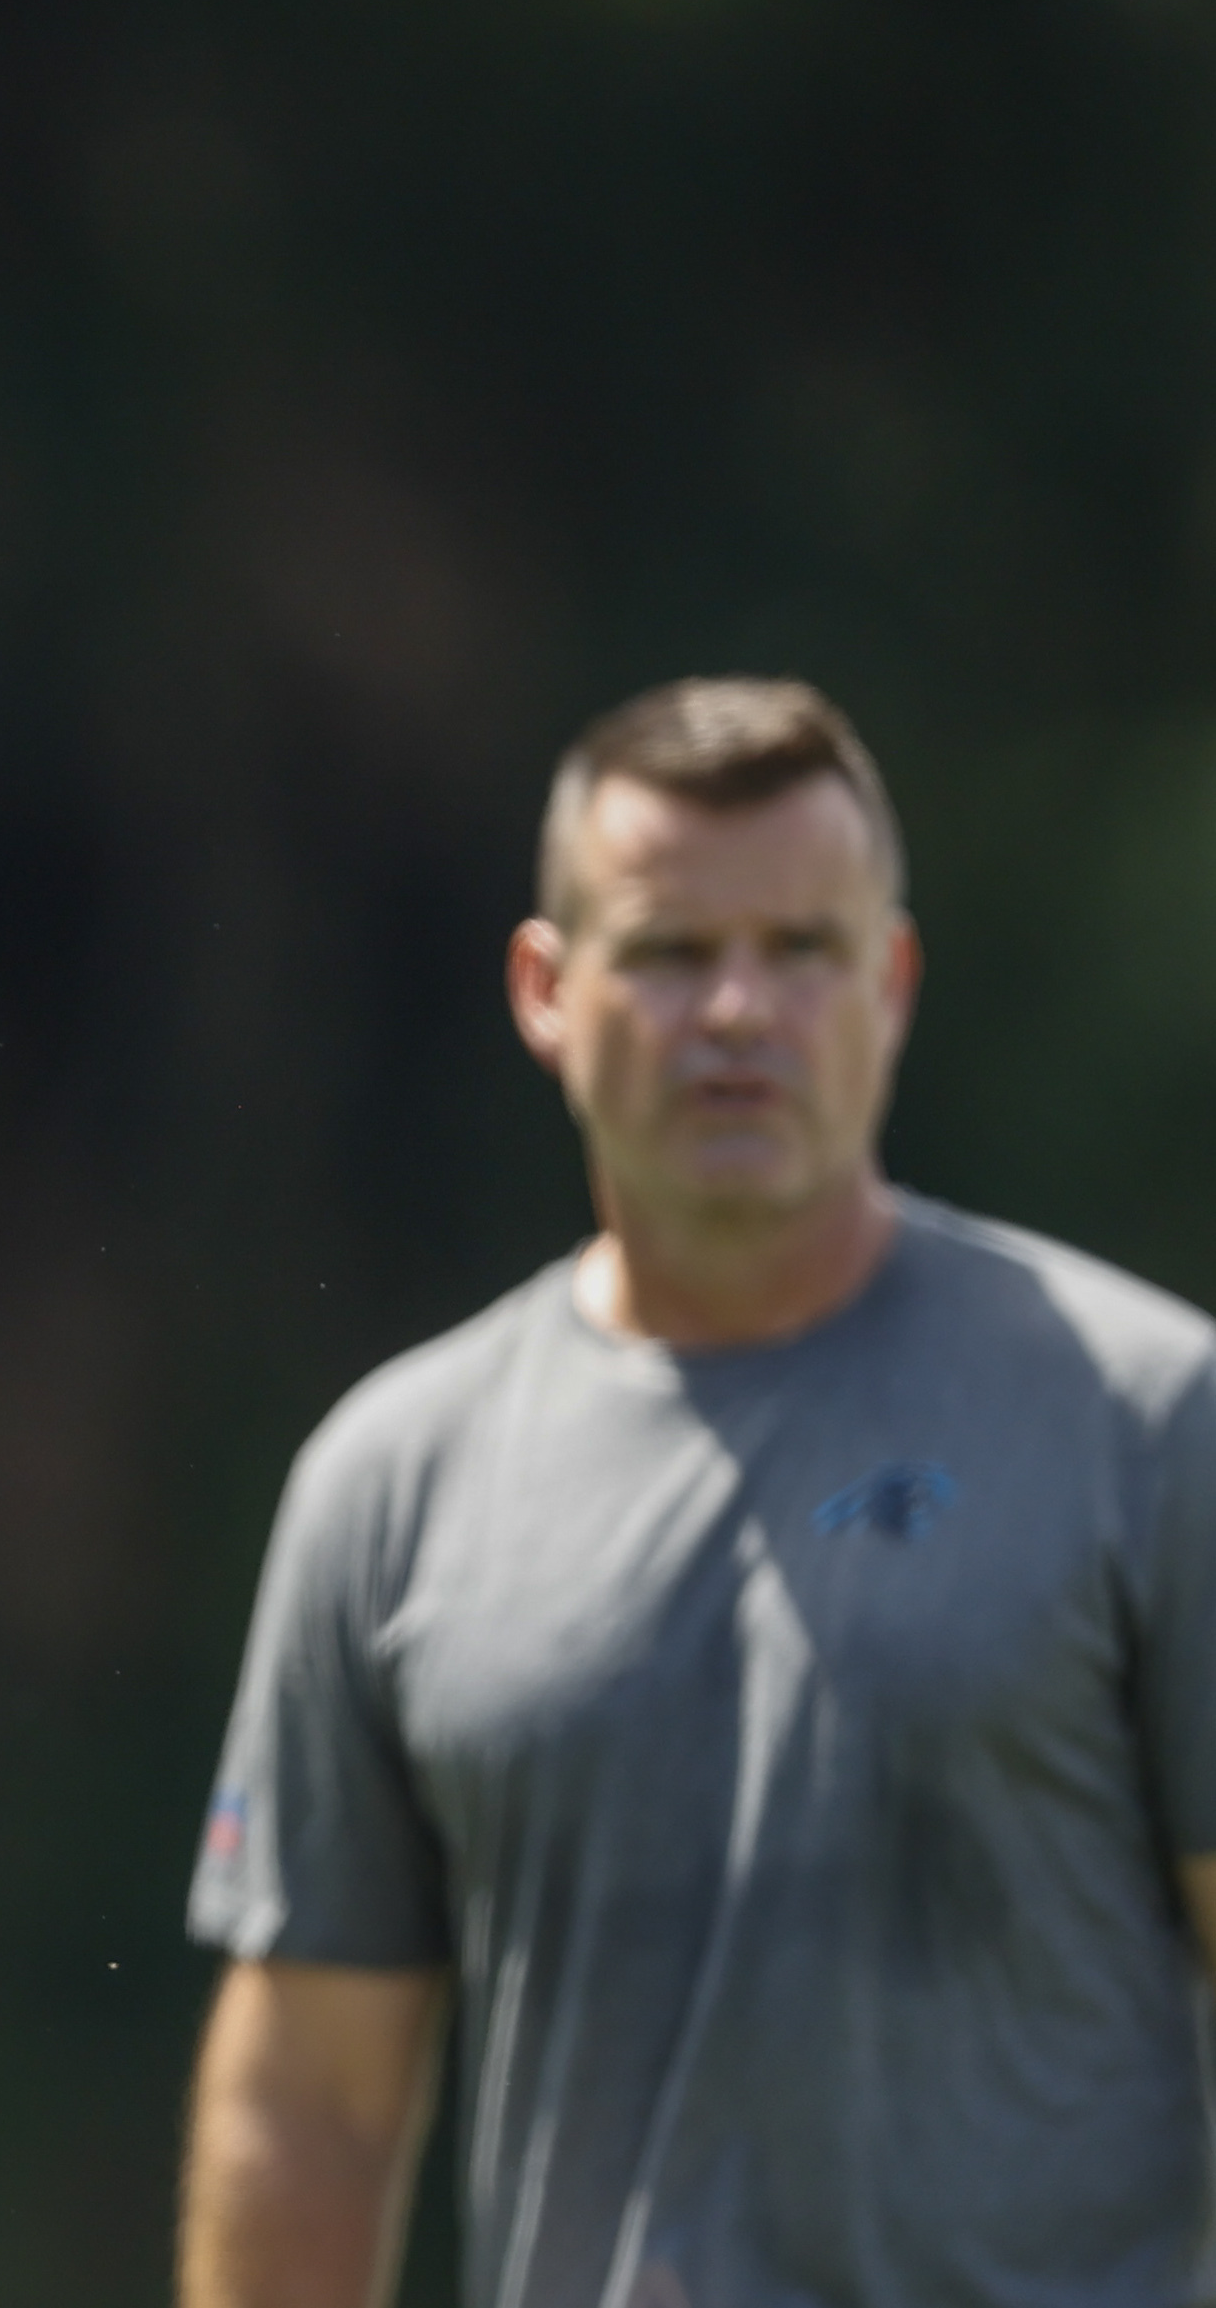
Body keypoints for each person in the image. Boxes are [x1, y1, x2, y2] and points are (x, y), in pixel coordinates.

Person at [177, 674, 1216, 2308]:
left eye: (799, 949)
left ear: (889, 978)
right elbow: (309, 2093)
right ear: (543, 986)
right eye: (668, 951)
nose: (736, 1009)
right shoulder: (393, 1482)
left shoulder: (1148, 1420)